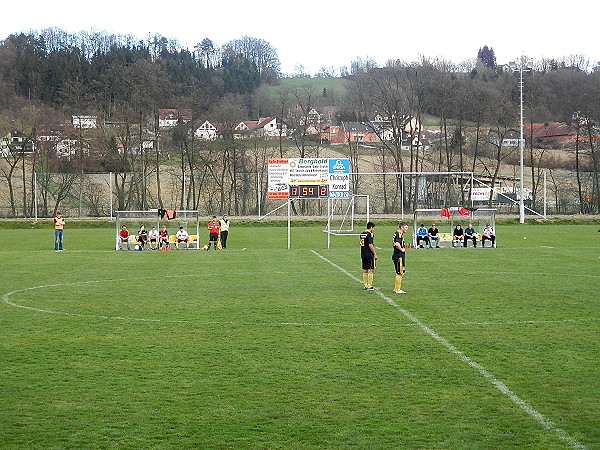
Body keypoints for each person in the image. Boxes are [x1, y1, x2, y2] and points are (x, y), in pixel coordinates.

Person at [359, 222, 377, 290]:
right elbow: (370, 244)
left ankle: (365, 285)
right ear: (371, 227)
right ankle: (369, 286)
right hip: (369, 254)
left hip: (363, 253)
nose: (373, 229)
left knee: (365, 269)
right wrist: (374, 253)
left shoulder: (362, 234)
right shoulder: (369, 234)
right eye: (373, 228)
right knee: (370, 269)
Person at [392, 221, 409, 294]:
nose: (407, 229)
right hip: (399, 255)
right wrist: (402, 249)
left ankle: (396, 288)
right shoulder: (398, 234)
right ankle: (397, 289)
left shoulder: (397, 233)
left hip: (396, 255)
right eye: (406, 227)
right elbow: (397, 243)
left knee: (399, 272)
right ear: (401, 227)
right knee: (400, 273)